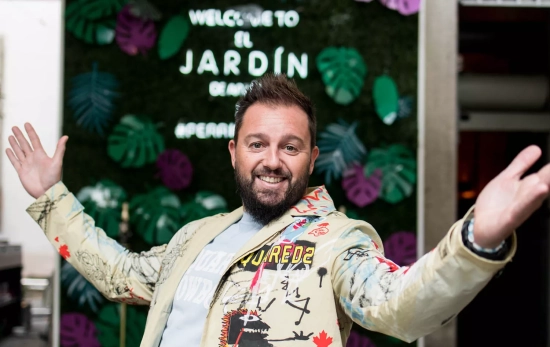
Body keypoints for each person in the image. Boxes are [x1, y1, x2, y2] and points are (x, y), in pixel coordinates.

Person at [6, 74, 549, 347]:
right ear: (234, 152)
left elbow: (401, 305)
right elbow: (121, 274)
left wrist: (476, 241)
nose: (272, 161)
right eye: (257, 144)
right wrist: (50, 198)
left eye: (290, 147)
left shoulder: (338, 240)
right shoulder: (196, 236)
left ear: (312, 158)